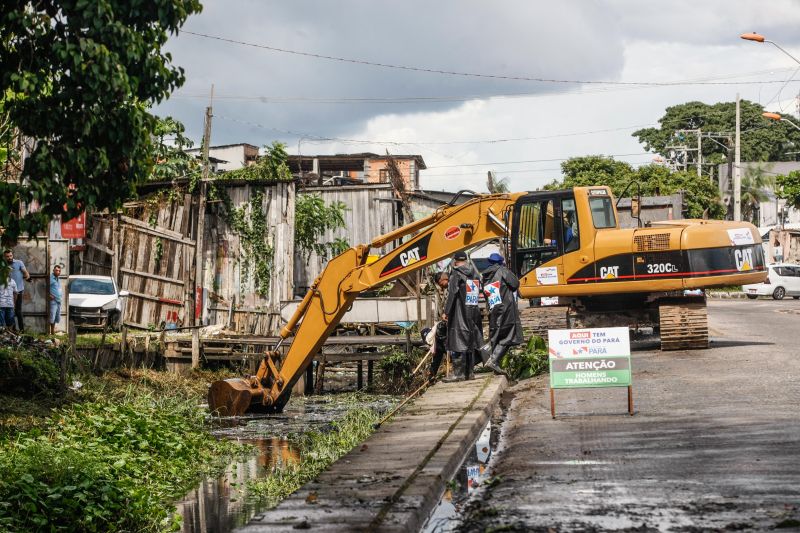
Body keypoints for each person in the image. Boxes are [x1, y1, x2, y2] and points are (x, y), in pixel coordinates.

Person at [442, 251, 483, 381]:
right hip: (472, 310)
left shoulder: (456, 273)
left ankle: (458, 374)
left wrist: (446, 311)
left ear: (455, 261)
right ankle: (469, 373)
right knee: (470, 340)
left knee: (457, 341)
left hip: (459, 311)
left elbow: (453, 293)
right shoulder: (474, 273)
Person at [481, 253, 523, 377]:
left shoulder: (485, 276)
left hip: (495, 310)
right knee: (508, 336)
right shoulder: (503, 271)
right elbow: (515, 284)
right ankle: (493, 360)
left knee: (498, 336)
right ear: (501, 262)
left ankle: (495, 362)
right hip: (506, 309)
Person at [426, 271, 450, 380]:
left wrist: (447, 314)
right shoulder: (448, 288)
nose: (441, 287)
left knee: (442, 347)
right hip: (447, 323)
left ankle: (432, 373)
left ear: (442, 280)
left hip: (454, 323)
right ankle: (432, 373)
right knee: (440, 347)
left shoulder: (452, 287)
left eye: (440, 284)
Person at [4, 249, 30, 331]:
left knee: (18, 311)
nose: (9, 258)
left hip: (18, 291)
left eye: (11, 256)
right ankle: (13, 330)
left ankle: (22, 330)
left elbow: (25, 272)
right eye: (7, 256)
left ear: (12, 255)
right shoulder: (3, 265)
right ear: (5, 257)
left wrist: (27, 277)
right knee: (10, 311)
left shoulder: (19, 263)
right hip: (7, 292)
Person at [48, 264, 62, 335]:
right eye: (56, 270)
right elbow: (43, 286)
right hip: (53, 301)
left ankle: (53, 331)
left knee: (57, 316)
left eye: (59, 271)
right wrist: (49, 295)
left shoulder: (58, 278)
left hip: (58, 300)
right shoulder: (50, 278)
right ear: (53, 270)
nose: (58, 272)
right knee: (52, 316)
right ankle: (50, 332)